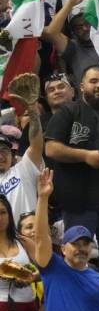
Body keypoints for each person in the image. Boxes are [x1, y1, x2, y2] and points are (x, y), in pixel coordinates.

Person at [44, 66, 99, 295]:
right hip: (78, 202)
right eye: (93, 81)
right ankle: (76, 300)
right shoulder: (68, 112)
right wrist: (85, 156)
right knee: (76, 256)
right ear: (81, 86)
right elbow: (51, 148)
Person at [32, 169, 99, 311]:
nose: (81, 248)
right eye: (75, 244)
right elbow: (40, 237)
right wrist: (43, 197)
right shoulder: (52, 268)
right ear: (63, 249)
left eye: (85, 243)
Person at [0, 93, 42, 224]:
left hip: (28, 236)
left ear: (12, 155)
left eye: (5, 151)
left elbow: (36, 145)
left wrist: (33, 114)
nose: (1, 156)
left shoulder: (22, 169)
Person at [0, 195, 37, 311]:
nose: (0, 217)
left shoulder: (24, 242)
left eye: (3, 212)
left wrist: (32, 277)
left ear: (9, 215)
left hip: (27, 305)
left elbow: (48, 270)